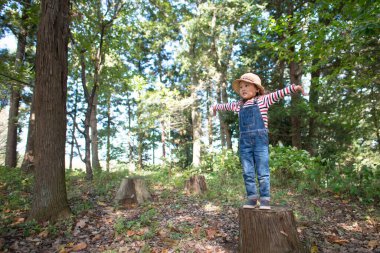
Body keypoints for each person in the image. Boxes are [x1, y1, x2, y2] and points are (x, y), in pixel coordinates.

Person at [211, 73, 306, 209]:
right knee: (247, 171)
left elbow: (278, 94)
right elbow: (225, 106)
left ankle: (265, 199)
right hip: (244, 142)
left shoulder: (263, 100)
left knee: (263, 170)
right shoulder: (238, 105)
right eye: (241, 87)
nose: (243, 89)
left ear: (256, 89)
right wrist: (215, 107)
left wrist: (294, 88)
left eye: (247, 85)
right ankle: (252, 198)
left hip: (260, 140)